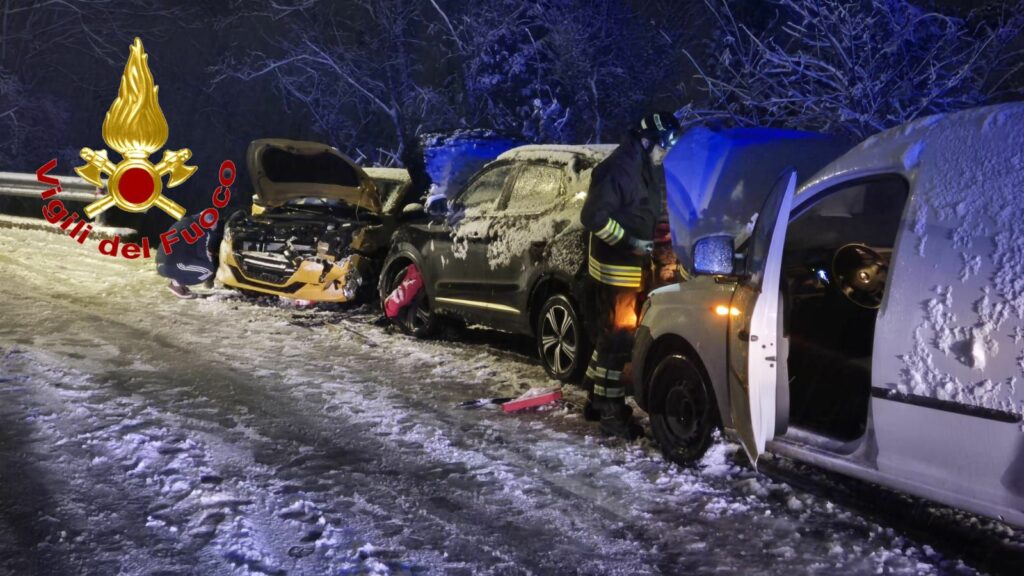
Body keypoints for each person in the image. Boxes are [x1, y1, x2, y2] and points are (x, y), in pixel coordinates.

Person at [580, 111, 681, 440]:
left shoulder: (642, 165)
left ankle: (595, 399)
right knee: (618, 341)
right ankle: (611, 413)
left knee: (610, 336)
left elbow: (645, 209)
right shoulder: (620, 169)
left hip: (630, 268)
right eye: (663, 146)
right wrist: (629, 242)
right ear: (648, 141)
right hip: (616, 271)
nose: (665, 154)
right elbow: (592, 218)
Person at [156, 212, 226, 299]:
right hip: (172, 265)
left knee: (193, 263)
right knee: (208, 270)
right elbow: (202, 254)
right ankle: (176, 284)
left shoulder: (185, 221)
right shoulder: (202, 230)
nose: (214, 226)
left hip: (160, 264)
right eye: (214, 223)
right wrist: (211, 257)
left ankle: (179, 283)